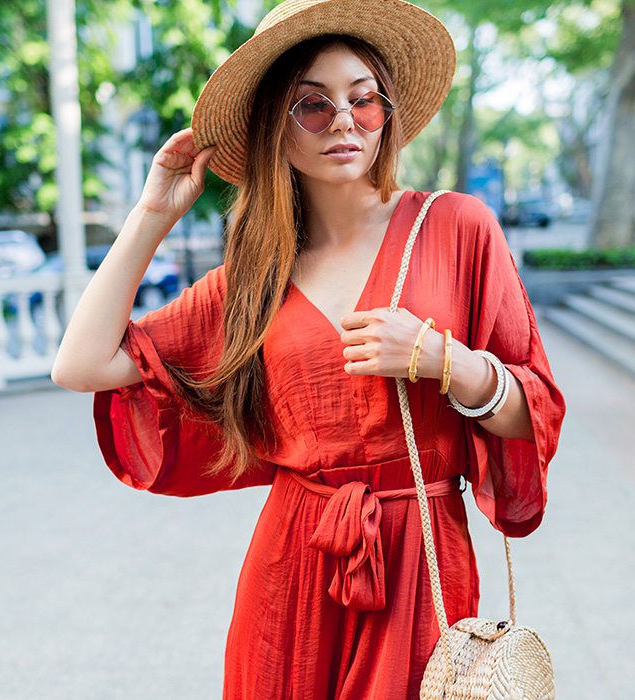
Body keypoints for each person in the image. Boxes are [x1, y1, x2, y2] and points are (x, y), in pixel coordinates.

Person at [52, 0, 566, 696]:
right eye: (314, 107)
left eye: (365, 100)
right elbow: (80, 364)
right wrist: (152, 216)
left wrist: (443, 359)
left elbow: (532, 412)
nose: (346, 121)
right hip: (294, 570)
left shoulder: (455, 227)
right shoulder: (254, 278)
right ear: (277, 128)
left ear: (389, 114)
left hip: (422, 559)